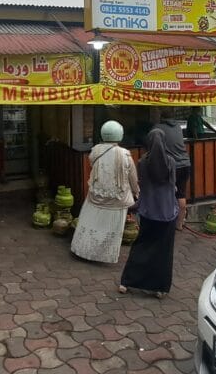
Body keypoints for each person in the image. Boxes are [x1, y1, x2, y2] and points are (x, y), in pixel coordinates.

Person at [119, 129, 178, 299]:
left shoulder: (143, 162)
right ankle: (160, 288)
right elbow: (173, 185)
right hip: (167, 212)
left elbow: (143, 185)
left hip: (148, 211)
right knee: (164, 251)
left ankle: (127, 282)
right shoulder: (171, 162)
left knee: (141, 246)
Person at [71, 121, 139, 263]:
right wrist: (136, 191)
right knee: (112, 230)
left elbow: (92, 164)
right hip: (117, 198)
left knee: (91, 224)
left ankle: (83, 249)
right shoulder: (125, 154)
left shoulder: (95, 150)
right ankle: (105, 254)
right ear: (120, 134)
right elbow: (132, 177)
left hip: (96, 195)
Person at [151, 109, 191, 231]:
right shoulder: (178, 126)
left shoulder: (157, 128)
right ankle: (179, 224)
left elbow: (152, 142)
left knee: (165, 192)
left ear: (161, 117)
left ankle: (164, 223)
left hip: (171, 166)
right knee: (181, 194)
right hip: (185, 163)